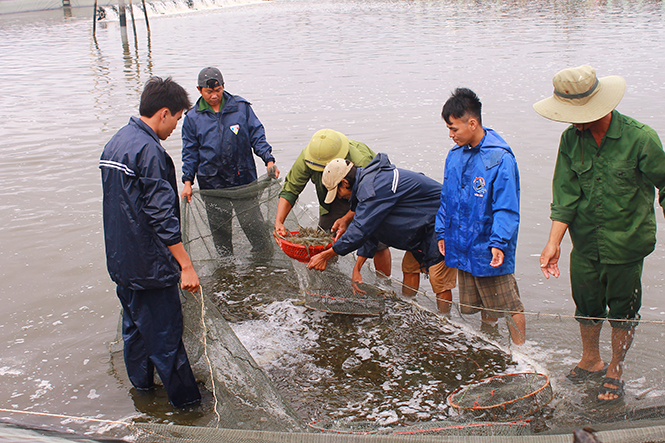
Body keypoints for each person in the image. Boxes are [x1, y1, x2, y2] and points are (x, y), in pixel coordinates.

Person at [534, 65, 665, 402]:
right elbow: (565, 196)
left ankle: (616, 368)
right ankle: (591, 359)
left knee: (623, 309)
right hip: (586, 244)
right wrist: (553, 244)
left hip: (627, 243)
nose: (573, 121)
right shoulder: (570, 140)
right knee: (587, 303)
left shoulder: (641, 138)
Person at [99, 77, 201, 408]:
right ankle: (188, 409)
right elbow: (161, 217)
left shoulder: (116, 142)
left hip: (121, 263)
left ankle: (143, 394)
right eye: (177, 118)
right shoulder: (150, 151)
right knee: (166, 341)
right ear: (163, 113)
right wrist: (186, 265)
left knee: (135, 332)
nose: (175, 127)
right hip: (150, 267)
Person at [435, 88, 525, 345]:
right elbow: (446, 200)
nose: (451, 135)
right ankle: (490, 341)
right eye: (449, 130)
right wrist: (442, 233)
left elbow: (507, 208)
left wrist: (498, 243)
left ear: (472, 123)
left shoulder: (499, 158)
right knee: (484, 301)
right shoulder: (454, 156)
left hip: (488, 245)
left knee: (510, 304)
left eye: (454, 129)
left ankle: (521, 356)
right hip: (463, 244)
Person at [307, 155, 456, 302]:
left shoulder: (372, 188)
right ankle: (409, 306)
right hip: (423, 226)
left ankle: (445, 320)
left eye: (337, 191)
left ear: (345, 182)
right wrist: (357, 268)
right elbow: (370, 230)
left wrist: (325, 255)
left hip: (445, 220)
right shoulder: (367, 186)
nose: (339, 197)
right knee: (410, 268)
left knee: (439, 280)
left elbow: (359, 231)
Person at [181, 67, 279, 255]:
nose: (214, 95)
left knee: (253, 224)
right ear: (199, 90)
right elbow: (190, 152)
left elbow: (257, 135)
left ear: (223, 86)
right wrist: (187, 182)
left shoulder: (241, 108)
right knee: (220, 230)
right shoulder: (192, 118)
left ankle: (263, 259)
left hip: (242, 178)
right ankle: (227, 267)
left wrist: (268, 160)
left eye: (217, 90)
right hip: (212, 182)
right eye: (209, 92)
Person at [274, 129, 391, 276]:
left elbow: (371, 201)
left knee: (378, 242)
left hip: (367, 196)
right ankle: (328, 277)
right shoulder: (309, 156)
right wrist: (279, 222)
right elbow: (290, 189)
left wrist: (347, 218)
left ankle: (383, 285)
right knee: (326, 238)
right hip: (331, 198)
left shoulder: (362, 161)